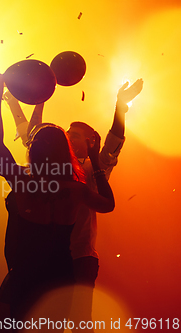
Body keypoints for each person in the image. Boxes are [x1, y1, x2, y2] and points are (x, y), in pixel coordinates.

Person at [0, 72, 115, 332]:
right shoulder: (77, 190)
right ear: (65, 152)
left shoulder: (23, 181)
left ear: (33, 151)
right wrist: (96, 162)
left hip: (25, 273)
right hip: (60, 275)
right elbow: (108, 204)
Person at [65, 79, 143, 332]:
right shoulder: (52, 168)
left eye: (74, 136)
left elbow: (113, 144)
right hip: (51, 254)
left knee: (79, 321)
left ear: (90, 142)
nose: (68, 139)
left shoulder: (91, 167)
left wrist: (120, 108)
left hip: (80, 256)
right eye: (67, 135)